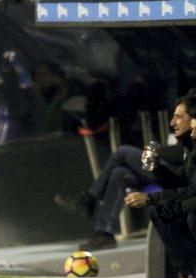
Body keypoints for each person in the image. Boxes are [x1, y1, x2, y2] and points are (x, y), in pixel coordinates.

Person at [55, 95, 194, 250]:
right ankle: (104, 233)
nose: (172, 122)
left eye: (179, 117)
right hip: (162, 172)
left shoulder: (191, 136)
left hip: (176, 176)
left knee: (122, 151)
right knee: (119, 174)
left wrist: (158, 151)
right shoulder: (181, 134)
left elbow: (181, 154)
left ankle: (89, 199)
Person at [124, 96, 196, 278]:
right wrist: (157, 170)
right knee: (161, 211)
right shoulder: (189, 148)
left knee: (190, 215)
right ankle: (186, 276)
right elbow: (182, 182)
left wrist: (150, 198)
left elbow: (192, 191)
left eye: (179, 117)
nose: (172, 123)